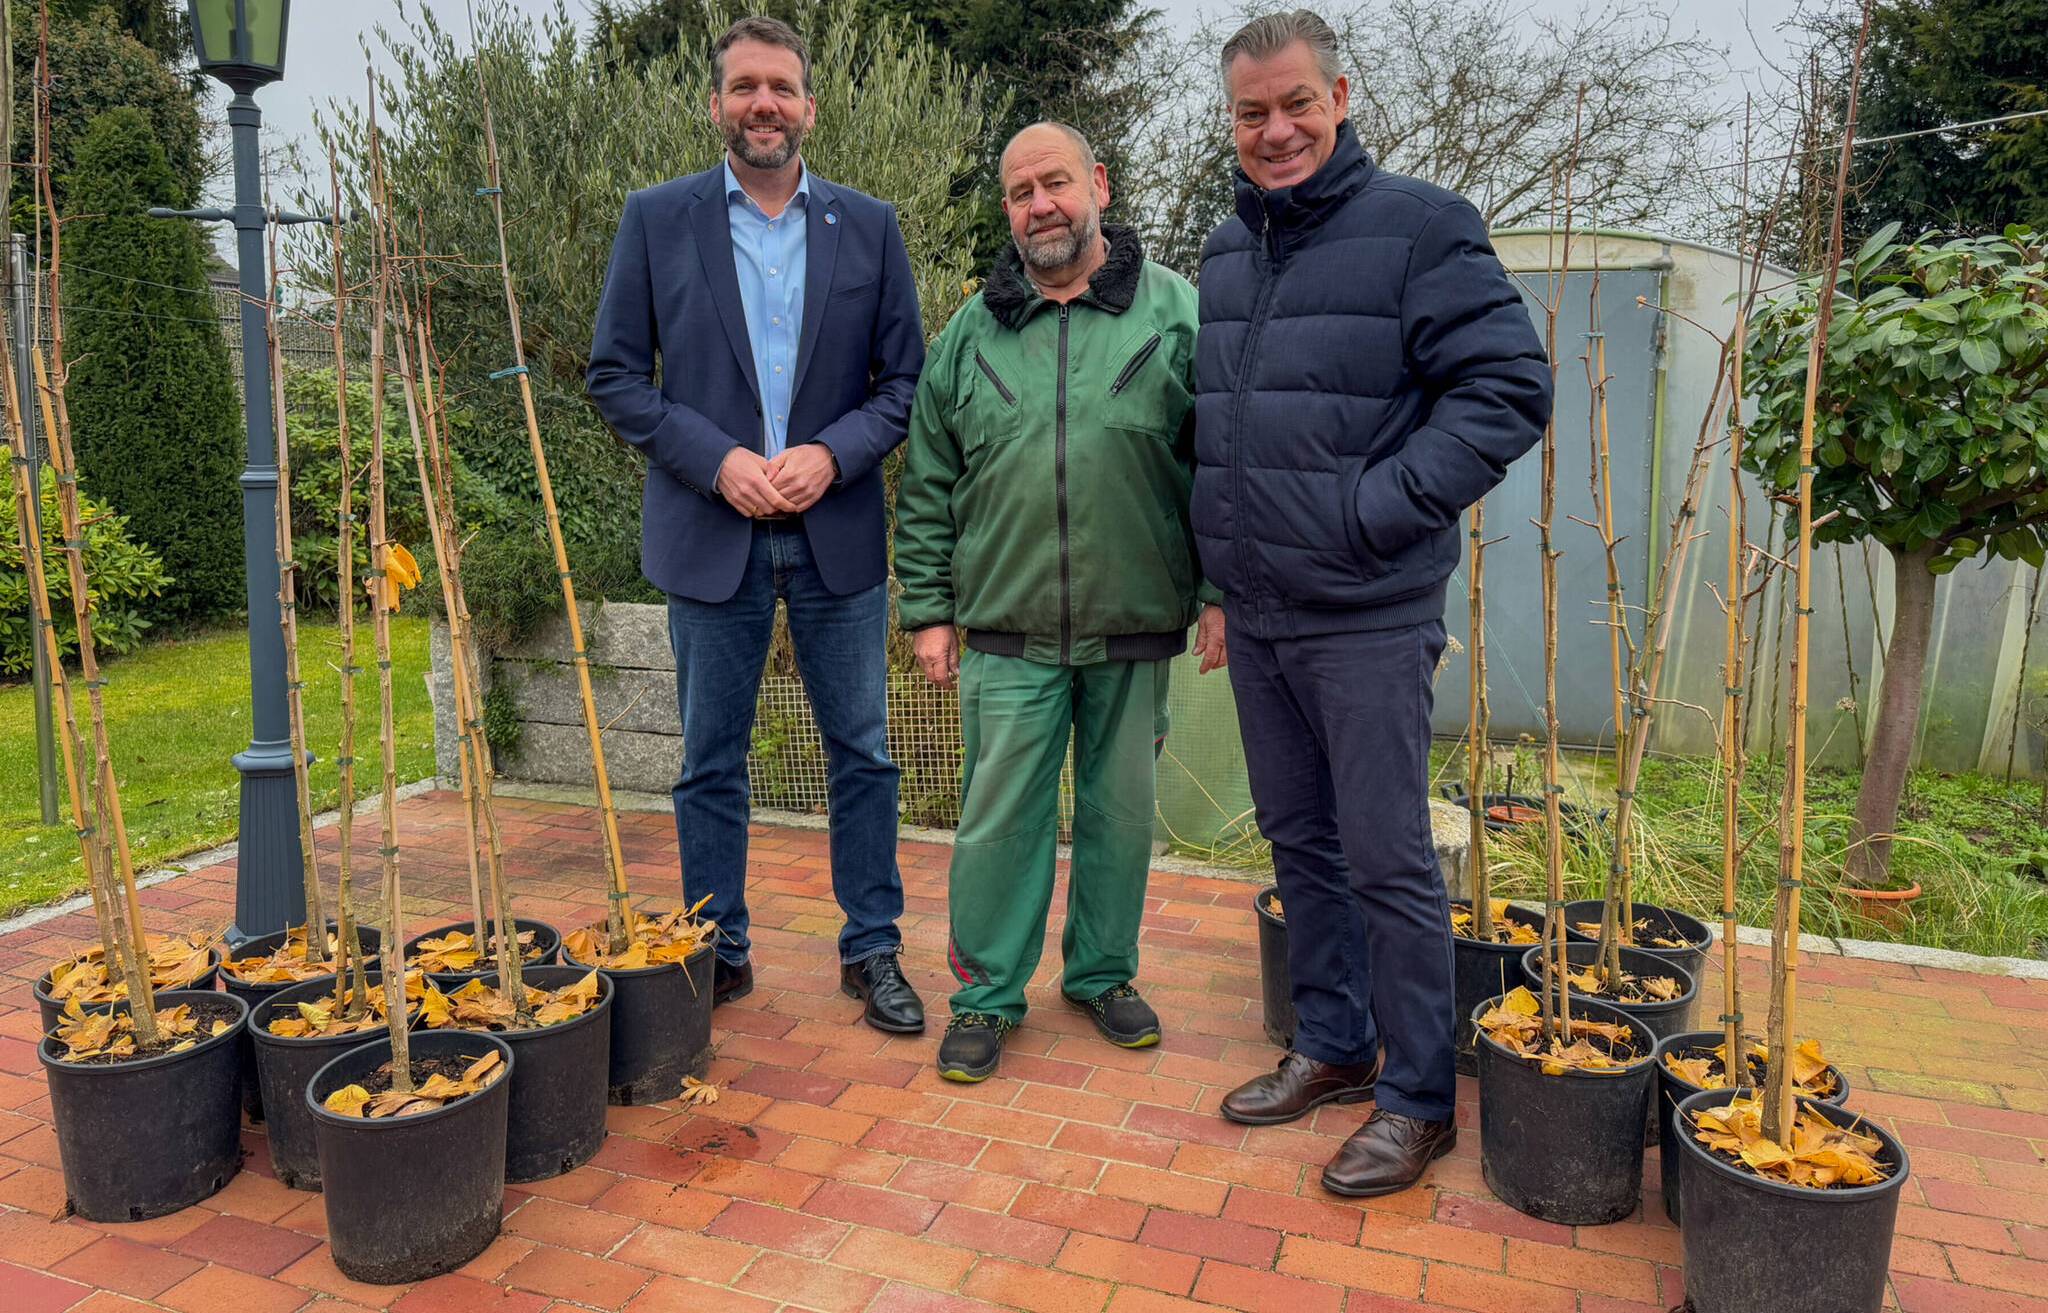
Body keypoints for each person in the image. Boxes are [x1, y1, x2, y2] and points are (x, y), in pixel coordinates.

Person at [1192, 10, 1552, 1195]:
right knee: (1298, 841)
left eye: (1295, 103)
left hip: (1367, 608)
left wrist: (1377, 506)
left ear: (1337, 97)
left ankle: (1414, 1097)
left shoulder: (1419, 226)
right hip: (1260, 608)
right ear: (1232, 122)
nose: (1275, 129)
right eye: (1251, 113)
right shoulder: (1225, 252)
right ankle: (1334, 1044)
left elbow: (1505, 385)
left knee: (1388, 856)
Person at [587, 15, 926, 1033]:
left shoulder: (869, 227)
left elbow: (903, 381)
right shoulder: (657, 220)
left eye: (780, 86)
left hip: (837, 535)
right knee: (709, 759)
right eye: (744, 87)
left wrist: (834, 453)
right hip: (709, 530)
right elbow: (614, 375)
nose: (763, 103)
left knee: (860, 749)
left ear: (809, 106)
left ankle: (871, 948)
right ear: (716, 103)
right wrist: (716, 460)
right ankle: (715, 948)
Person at [895, 122, 1204, 1082]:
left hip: (1135, 622)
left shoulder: (1176, 313)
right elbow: (928, 480)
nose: (1042, 204)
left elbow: (1221, 466)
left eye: (1057, 182)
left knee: (1119, 813)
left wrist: (1225, 591)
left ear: (1099, 184)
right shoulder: (968, 334)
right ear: (1009, 210)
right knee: (999, 819)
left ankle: (1103, 973)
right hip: (1004, 626)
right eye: (1023, 190)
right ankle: (987, 994)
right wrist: (931, 610)